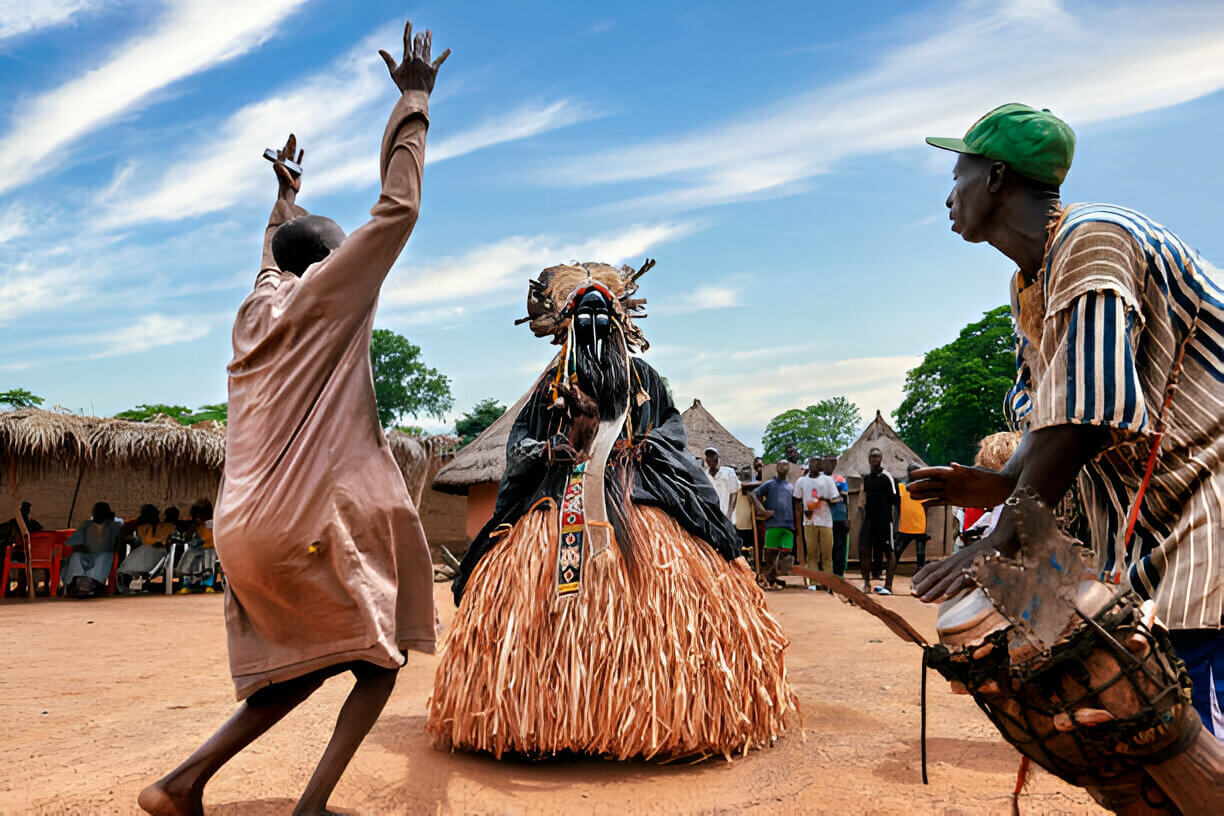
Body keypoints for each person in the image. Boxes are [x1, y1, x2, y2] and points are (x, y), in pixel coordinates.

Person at [139, 22, 448, 816]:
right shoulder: (326, 303)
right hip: (296, 524)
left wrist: (284, 196)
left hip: (239, 528)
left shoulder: (257, 310)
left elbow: (269, 257)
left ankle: (187, 785)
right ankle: (292, 806)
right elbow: (399, 208)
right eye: (341, 254)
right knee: (377, 666)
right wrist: (412, 100)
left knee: (322, 661)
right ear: (328, 267)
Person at [912, 103, 1224, 741]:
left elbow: (1086, 415)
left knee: (1197, 741)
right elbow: (1053, 414)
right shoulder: (1033, 280)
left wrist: (992, 545)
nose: (949, 194)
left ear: (996, 178)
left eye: (959, 174)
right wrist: (997, 488)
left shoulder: (1093, 240)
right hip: (1164, 523)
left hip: (1210, 518)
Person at [430, 258, 794, 760]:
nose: (595, 330)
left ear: (621, 324)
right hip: (557, 497)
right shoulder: (553, 382)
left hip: (639, 492)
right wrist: (555, 448)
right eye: (584, 320)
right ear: (567, 329)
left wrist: (639, 449)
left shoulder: (643, 378)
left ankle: (656, 718)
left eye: (604, 319)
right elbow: (521, 446)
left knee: (671, 583)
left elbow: (671, 435)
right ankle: (544, 716)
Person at [793, 455, 839, 590]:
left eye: (817, 462)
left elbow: (836, 499)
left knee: (827, 553)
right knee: (812, 553)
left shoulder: (828, 480)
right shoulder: (801, 481)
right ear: (809, 463)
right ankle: (813, 582)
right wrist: (801, 517)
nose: (814, 464)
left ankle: (828, 582)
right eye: (812, 461)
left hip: (826, 521)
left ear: (820, 466)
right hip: (809, 522)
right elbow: (796, 502)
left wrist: (825, 499)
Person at [752, 460, 800, 589]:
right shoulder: (770, 484)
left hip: (789, 525)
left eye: (784, 465)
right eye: (779, 465)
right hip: (773, 524)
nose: (782, 467)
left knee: (786, 552)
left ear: (788, 468)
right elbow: (753, 494)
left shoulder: (791, 487)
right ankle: (767, 580)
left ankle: (772, 577)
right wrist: (761, 510)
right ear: (776, 468)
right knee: (771, 554)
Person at [62, 502, 122, 598]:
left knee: (105, 555)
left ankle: (92, 583)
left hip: (102, 555)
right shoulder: (88, 524)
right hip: (87, 555)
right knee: (75, 556)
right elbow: (73, 543)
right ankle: (75, 583)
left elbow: (116, 543)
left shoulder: (116, 524)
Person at [859, 448, 898, 595]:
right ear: (869, 459)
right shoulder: (867, 479)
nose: (874, 459)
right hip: (870, 520)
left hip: (884, 521)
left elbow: (895, 500)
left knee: (889, 552)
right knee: (864, 550)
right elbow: (865, 500)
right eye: (872, 457)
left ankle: (888, 585)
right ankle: (867, 583)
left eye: (877, 457)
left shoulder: (887, 477)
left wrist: (893, 522)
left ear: (881, 459)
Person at [885, 464, 928, 594]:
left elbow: (927, 506)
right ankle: (888, 585)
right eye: (912, 472)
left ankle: (920, 588)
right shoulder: (901, 488)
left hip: (920, 528)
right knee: (895, 556)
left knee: (921, 560)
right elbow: (897, 504)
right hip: (905, 528)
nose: (914, 475)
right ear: (909, 473)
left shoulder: (922, 490)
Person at [117, 504, 176, 593]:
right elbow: (130, 537)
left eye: (152, 515)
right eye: (148, 515)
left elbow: (170, 540)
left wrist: (162, 543)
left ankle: (136, 581)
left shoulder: (167, 526)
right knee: (139, 555)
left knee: (143, 553)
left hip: (157, 554)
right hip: (143, 553)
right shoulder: (140, 527)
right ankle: (130, 585)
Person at [175, 499, 220, 593]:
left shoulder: (210, 523)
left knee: (209, 564)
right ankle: (186, 585)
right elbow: (187, 537)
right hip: (195, 549)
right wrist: (194, 527)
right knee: (188, 563)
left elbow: (210, 537)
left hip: (209, 548)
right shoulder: (195, 525)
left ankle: (208, 585)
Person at [826, 458, 850, 577]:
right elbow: (844, 499)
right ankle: (834, 574)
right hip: (831, 517)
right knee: (835, 546)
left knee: (836, 546)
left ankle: (836, 574)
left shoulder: (839, 479)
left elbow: (844, 499)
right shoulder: (840, 479)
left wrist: (846, 517)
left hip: (835, 517)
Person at [703, 446, 740, 519]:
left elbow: (733, 494)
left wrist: (729, 515)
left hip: (728, 517)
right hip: (712, 517)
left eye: (712, 456)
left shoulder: (729, 472)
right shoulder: (704, 475)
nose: (709, 459)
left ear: (717, 458)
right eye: (707, 456)